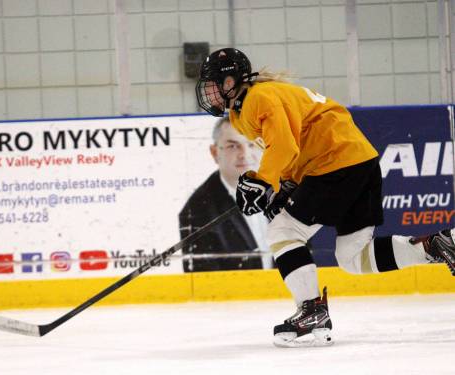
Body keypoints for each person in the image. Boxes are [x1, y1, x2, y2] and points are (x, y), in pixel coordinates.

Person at [195, 47, 455, 347]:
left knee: (283, 230)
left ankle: (312, 312)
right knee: (353, 256)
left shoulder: (258, 98)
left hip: (335, 163)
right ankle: (433, 245)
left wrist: (262, 181)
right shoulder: (243, 110)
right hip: (359, 162)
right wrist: (286, 184)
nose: (210, 92)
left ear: (231, 81)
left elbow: (285, 147)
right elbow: (294, 143)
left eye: (214, 84)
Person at [179, 117, 273, 272]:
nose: (245, 154)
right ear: (215, 152)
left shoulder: (283, 191)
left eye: (252, 144)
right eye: (233, 146)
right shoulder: (197, 211)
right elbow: (207, 285)